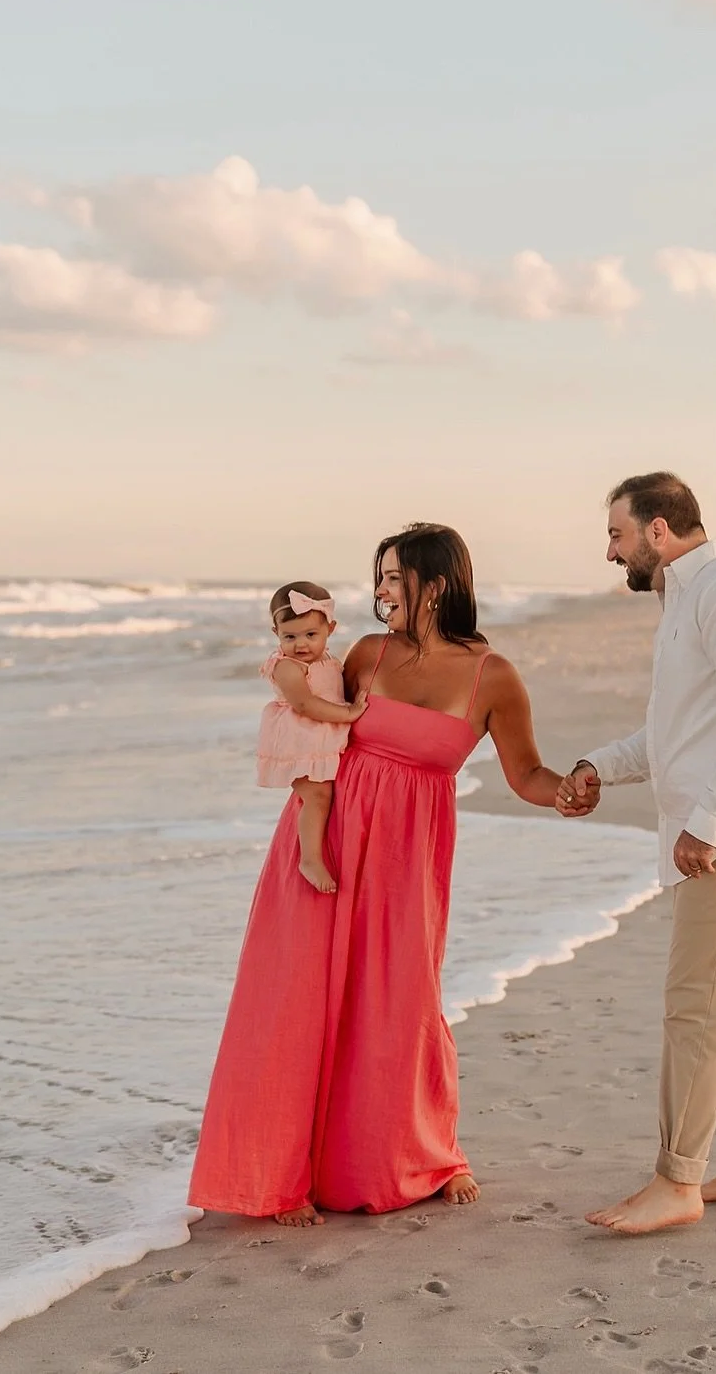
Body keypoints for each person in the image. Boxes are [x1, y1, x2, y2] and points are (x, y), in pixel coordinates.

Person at [188, 523, 568, 1227]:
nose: (382, 589)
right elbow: (298, 699)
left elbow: (529, 773)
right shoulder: (367, 653)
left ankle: (425, 1154)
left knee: (399, 1005)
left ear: (440, 582)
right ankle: (282, 1173)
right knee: (298, 999)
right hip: (325, 846)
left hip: (407, 861)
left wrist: (569, 791)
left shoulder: (494, 676)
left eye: (394, 576)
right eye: (381, 576)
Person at [557, 472, 716, 1237]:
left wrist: (710, 821)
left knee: (696, 1005)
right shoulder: (684, 602)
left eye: (617, 534)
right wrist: (598, 764)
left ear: (659, 530)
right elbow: (678, 735)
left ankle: (678, 1179)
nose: (611, 551)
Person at [255, 581, 367, 894]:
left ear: (330, 628)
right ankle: (310, 859)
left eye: (310, 635)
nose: (301, 644)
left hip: (320, 739)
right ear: (276, 633)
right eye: (289, 636)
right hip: (299, 741)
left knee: (329, 794)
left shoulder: (327, 660)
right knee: (318, 796)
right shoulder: (287, 667)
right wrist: (349, 714)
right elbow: (305, 704)